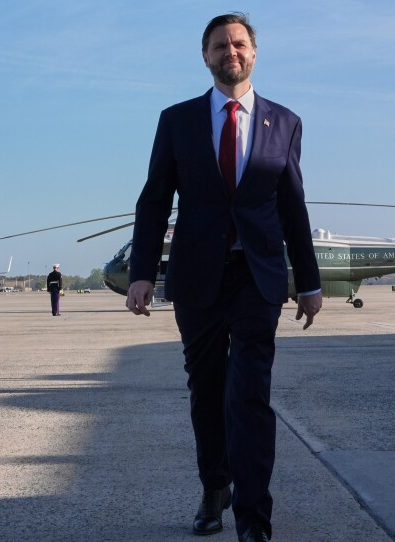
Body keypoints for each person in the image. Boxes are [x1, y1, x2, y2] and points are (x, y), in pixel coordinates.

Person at [125, 13, 322, 542]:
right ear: (205, 56)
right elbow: (153, 201)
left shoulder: (285, 122)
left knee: (250, 393)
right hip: (196, 277)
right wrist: (142, 273)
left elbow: (294, 206)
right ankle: (215, 488)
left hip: (258, 277)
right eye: (219, 46)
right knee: (207, 390)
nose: (229, 52)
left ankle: (254, 517)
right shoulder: (177, 120)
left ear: (254, 52)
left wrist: (308, 280)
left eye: (238, 43)